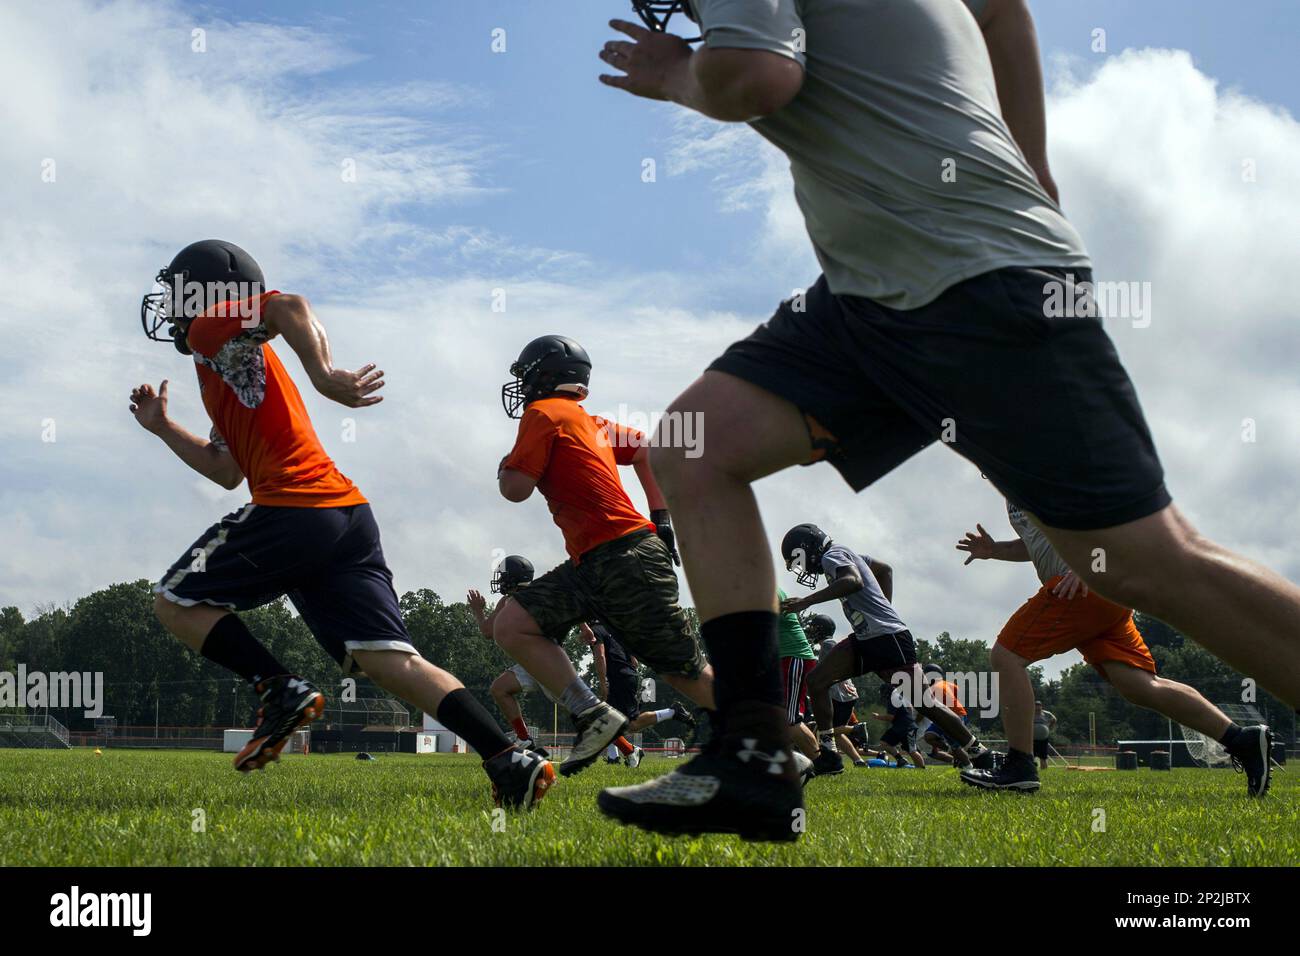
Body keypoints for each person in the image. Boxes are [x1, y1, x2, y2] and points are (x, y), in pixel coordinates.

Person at [593, 0, 1299, 837]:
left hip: (969, 277)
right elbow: (1001, 9)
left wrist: (672, 72)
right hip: (873, 295)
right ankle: (753, 753)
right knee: (694, 446)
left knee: (1144, 560)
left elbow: (756, 75)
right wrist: (1033, 166)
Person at [134, 240, 552, 809]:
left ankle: (278, 687)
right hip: (347, 515)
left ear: (206, 291)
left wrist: (326, 376)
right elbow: (226, 470)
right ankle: (508, 759)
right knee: (391, 660)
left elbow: (290, 307)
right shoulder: (223, 358)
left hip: (297, 509)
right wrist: (163, 429)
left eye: (177, 290)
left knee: (175, 601)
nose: (169, 305)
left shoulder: (211, 329)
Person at [492, 334, 716, 781]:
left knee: (685, 674)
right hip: (600, 559)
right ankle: (591, 713)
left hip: (621, 555)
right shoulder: (589, 421)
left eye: (526, 375)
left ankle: (788, 739)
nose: (522, 387)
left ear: (544, 375)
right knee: (513, 623)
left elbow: (514, 490)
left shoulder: (543, 413)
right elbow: (649, 450)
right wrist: (662, 517)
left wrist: (505, 465)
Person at [956, 502, 1272, 795]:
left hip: (1080, 586)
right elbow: (1040, 538)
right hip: (1100, 591)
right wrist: (995, 549)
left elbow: (1099, 510)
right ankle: (1241, 740)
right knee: (1140, 686)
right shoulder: (1012, 477)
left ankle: (1020, 766)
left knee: (1007, 656)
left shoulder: (1040, 458)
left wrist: (1087, 567)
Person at [781, 524, 992, 778]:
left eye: (798, 560)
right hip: (868, 637)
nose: (802, 568)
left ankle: (980, 753)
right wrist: (882, 607)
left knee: (925, 704)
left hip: (887, 638)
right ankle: (829, 755)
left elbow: (853, 581)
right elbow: (885, 569)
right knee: (817, 680)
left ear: (807, 549)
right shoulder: (847, 553)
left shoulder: (831, 556)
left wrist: (807, 601)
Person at [590, 617, 697, 767]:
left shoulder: (596, 631)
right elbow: (634, 659)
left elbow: (600, 656)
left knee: (631, 724)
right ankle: (618, 756)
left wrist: (602, 683)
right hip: (626, 676)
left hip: (620, 679)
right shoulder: (613, 628)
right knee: (606, 720)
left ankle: (672, 712)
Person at [803, 613, 867, 768]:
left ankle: (855, 729)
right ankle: (859, 761)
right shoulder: (829, 644)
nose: (810, 631)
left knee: (825, 730)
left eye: (813, 628)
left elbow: (824, 671)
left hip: (839, 695)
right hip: (844, 694)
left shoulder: (828, 645)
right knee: (836, 733)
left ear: (821, 629)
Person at [777, 590, 820, 761]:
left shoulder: (765, 588)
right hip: (786, 658)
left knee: (789, 719)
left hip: (793, 657)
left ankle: (822, 763)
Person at [1032, 701, 1057, 770]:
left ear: (1041, 706)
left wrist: (1049, 727)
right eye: (1036, 705)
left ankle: (1044, 770)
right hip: (1032, 738)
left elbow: (1054, 719)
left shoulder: (1046, 713)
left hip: (1043, 738)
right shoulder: (1030, 713)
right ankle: (1031, 770)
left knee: (1043, 756)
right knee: (1031, 755)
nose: (1037, 707)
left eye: (1039, 705)